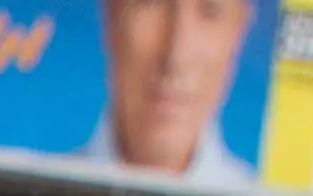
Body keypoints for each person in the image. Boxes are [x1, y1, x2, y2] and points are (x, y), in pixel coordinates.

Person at [95, 0, 269, 181]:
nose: (176, 56)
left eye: (210, 11)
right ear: (110, 12)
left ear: (240, 27)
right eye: (153, 4)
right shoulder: (62, 195)